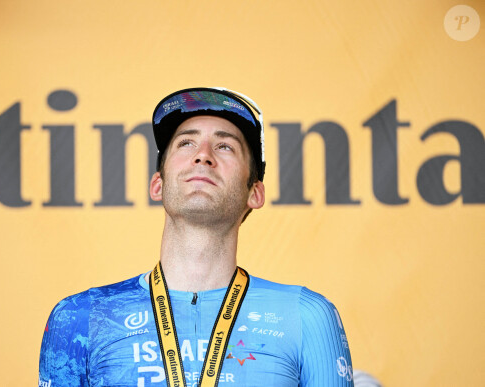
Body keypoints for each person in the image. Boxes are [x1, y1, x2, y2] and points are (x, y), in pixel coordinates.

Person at [38, 87, 354, 386]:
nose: (203, 155)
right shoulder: (81, 317)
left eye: (225, 145)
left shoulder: (307, 316)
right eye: (186, 143)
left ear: (255, 193)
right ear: (157, 184)